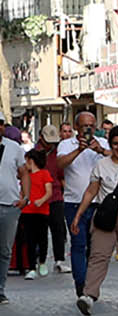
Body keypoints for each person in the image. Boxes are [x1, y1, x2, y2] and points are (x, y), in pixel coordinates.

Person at [70, 123, 118, 314]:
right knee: (98, 255)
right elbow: (90, 191)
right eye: (116, 144)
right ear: (110, 144)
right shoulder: (101, 165)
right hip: (105, 213)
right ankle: (89, 295)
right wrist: (78, 216)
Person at [52, 110, 106, 295]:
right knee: (78, 244)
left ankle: (91, 285)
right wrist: (79, 150)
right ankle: (81, 286)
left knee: (95, 248)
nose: (88, 129)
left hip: (98, 202)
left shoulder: (103, 143)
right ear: (76, 127)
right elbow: (60, 165)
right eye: (84, 126)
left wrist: (100, 150)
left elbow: (116, 160)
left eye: (91, 125)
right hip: (74, 202)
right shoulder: (66, 144)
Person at [0, 126, 25, 304]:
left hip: (10, 203)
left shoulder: (14, 147)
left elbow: (24, 173)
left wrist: (26, 197)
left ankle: (0, 290)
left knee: (5, 250)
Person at [20, 149, 54, 278]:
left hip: (42, 211)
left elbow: (49, 191)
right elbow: (22, 192)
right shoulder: (25, 176)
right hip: (27, 211)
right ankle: (31, 266)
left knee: (42, 237)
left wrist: (41, 200)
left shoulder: (44, 174)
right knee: (30, 239)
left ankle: (42, 261)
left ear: (30, 160)